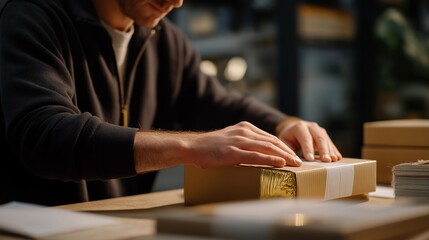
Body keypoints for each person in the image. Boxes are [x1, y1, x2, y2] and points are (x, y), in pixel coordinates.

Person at [0, 0, 342, 206]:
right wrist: (191, 147)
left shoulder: (166, 42)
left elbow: (217, 103)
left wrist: (285, 125)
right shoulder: (32, 17)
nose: (176, 2)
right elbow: (45, 135)